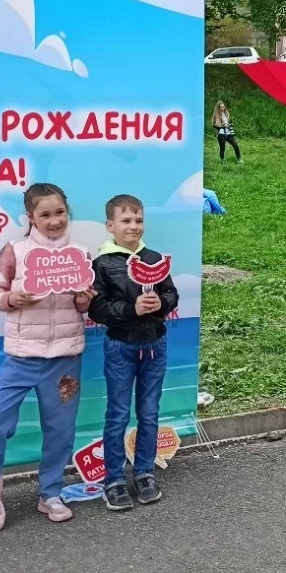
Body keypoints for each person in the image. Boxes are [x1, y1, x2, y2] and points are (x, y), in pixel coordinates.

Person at [0, 183, 95, 531]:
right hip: (22, 357)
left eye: (60, 213)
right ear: (30, 217)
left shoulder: (80, 254)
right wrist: (12, 299)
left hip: (65, 359)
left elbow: (82, 307)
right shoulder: (15, 251)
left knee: (60, 430)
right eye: (45, 214)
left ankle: (50, 493)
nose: (54, 221)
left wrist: (85, 299)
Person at [89, 194, 179, 511]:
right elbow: (97, 309)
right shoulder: (102, 263)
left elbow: (171, 294)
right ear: (110, 226)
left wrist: (161, 303)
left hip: (155, 344)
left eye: (139, 220)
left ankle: (144, 473)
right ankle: (113, 480)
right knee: (117, 414)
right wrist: (131, 309)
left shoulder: (154, 259)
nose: (134, 226)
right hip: (120, 346)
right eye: (126, 220)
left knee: (149, 412)